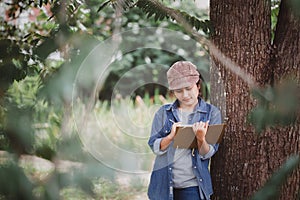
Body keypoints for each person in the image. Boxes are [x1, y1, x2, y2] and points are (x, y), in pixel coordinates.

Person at [147, 61, 222, 200]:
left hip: (193, 186)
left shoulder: (212, 113)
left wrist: (201, 139)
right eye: (178, 91)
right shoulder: (163, 113)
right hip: (163, 185)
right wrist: (170, 136)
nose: (185, 95)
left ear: (198, 86)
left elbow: (208, 153)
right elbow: (154, 146)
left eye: (188, 88)